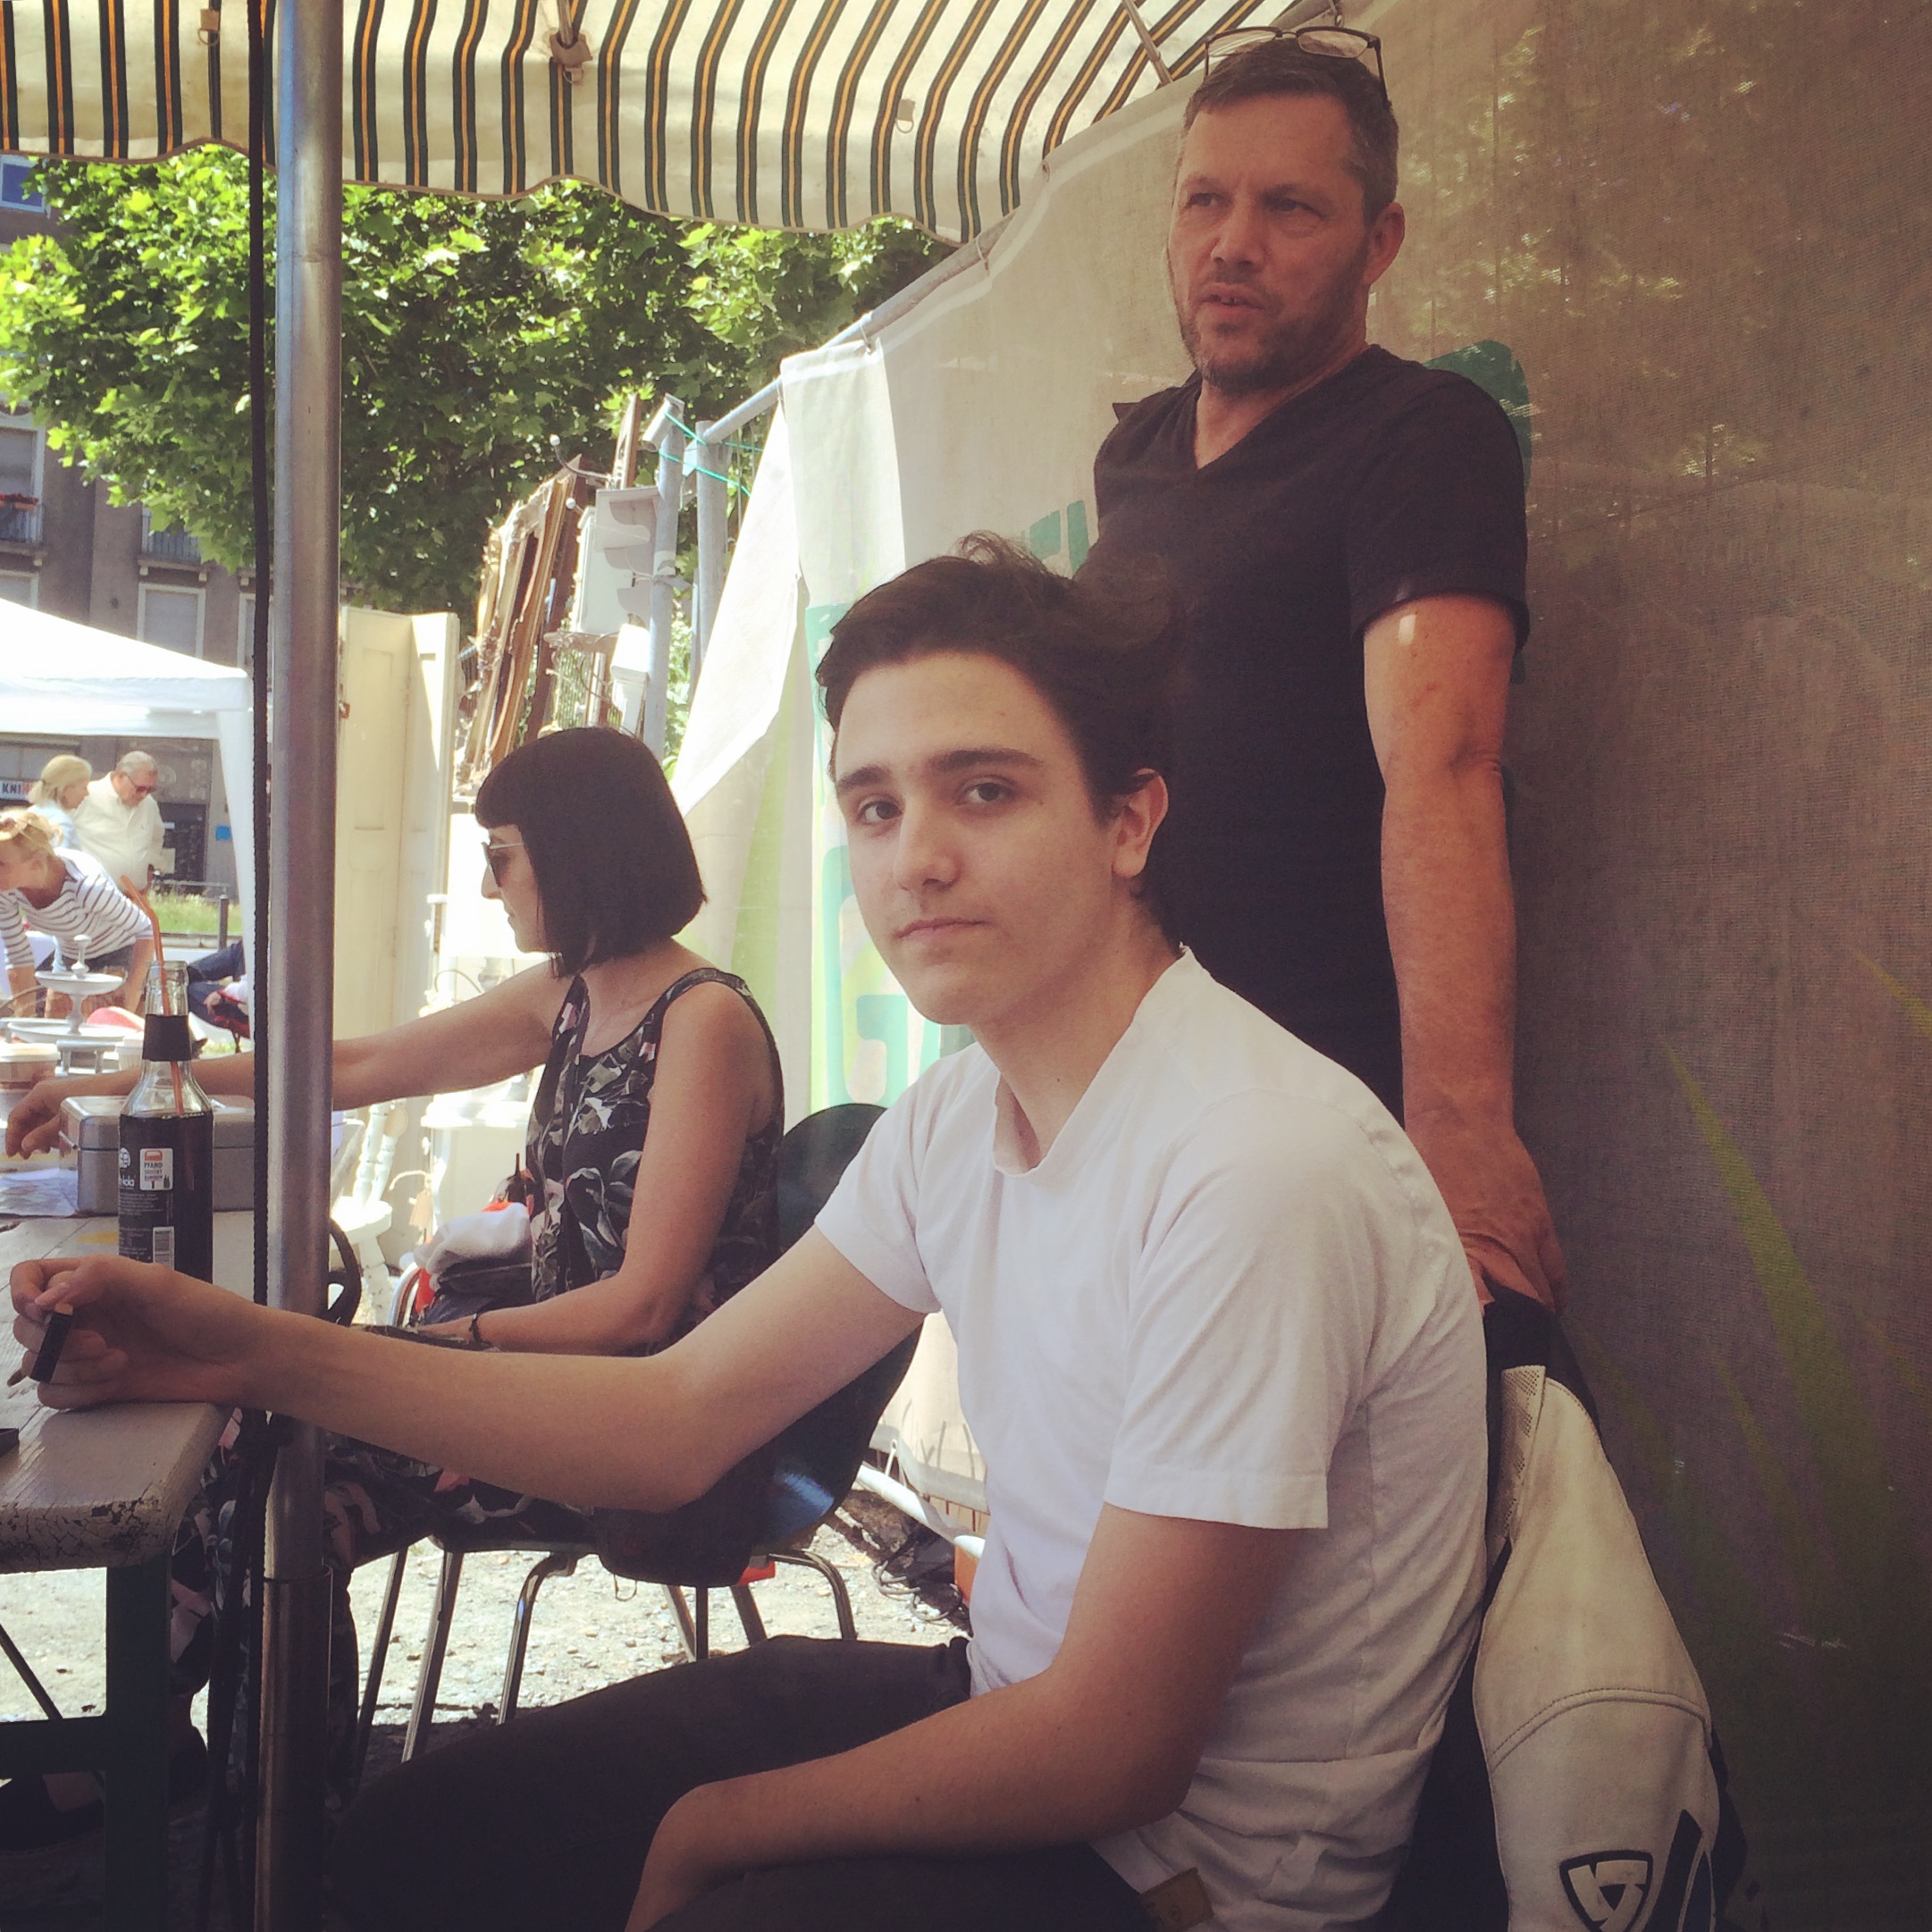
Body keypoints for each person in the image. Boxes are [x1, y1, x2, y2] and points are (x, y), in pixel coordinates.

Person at [13, 542, 1485, 1932]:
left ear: (1128, 821)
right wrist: (242, 1348)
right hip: (1007, 1704)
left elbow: (1114, 1747)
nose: (917, 858)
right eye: (875, 807)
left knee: (674, 1865)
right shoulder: (961, 1113)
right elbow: (676, 1417)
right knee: (420, 1838)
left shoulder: (1252, 1160)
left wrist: (717, 1828)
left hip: (1190, 1879)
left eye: (984, 791)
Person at [2, 725, 784, 1844]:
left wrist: (414, 1352)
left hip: (639, 1426)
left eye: (502, 856)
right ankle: (207, 1774)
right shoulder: (576, 992)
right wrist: (134, 1075)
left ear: (575, 851)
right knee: (252, 1447)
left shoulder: (701, 1020)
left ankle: (268, 1822)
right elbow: (355, 1064)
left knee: (273, 1466)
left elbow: (644, 1308)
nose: (490, 884)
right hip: (546, 1381)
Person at [1080, 31, 1564, 1309]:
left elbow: (1445, 763)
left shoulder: (1422, 434)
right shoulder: (1132, 455)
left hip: (1322, 1109)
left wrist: (1460, 1127)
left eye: (1288, 207)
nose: (1231, 243)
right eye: (1203, 199)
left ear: (1378, 241)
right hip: (1133, 1084)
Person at [0, 807, 154, 1016]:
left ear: (36, 864)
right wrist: (23, 1022)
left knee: (105, 1027)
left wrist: (133, 989)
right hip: (70, 954)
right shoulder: (7, 890)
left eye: (1, 864)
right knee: (55, 1028)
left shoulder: (87, 887)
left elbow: (145, 929)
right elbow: (18, 956)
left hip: (119, 952)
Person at [70, 748, 166, 896]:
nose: (144, 795)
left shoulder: (149, 805)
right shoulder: (86, 796)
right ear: (121, 776)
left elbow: (156, 839)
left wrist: (150, 869)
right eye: (140, 788)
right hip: (90, 896)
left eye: (150, 790)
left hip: (133, 897)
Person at [25, 753, 92, 848]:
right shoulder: (62, 823)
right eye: (84, 787)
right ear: (68, 789)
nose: (87, 793)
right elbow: (56, 855)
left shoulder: (30, 813)